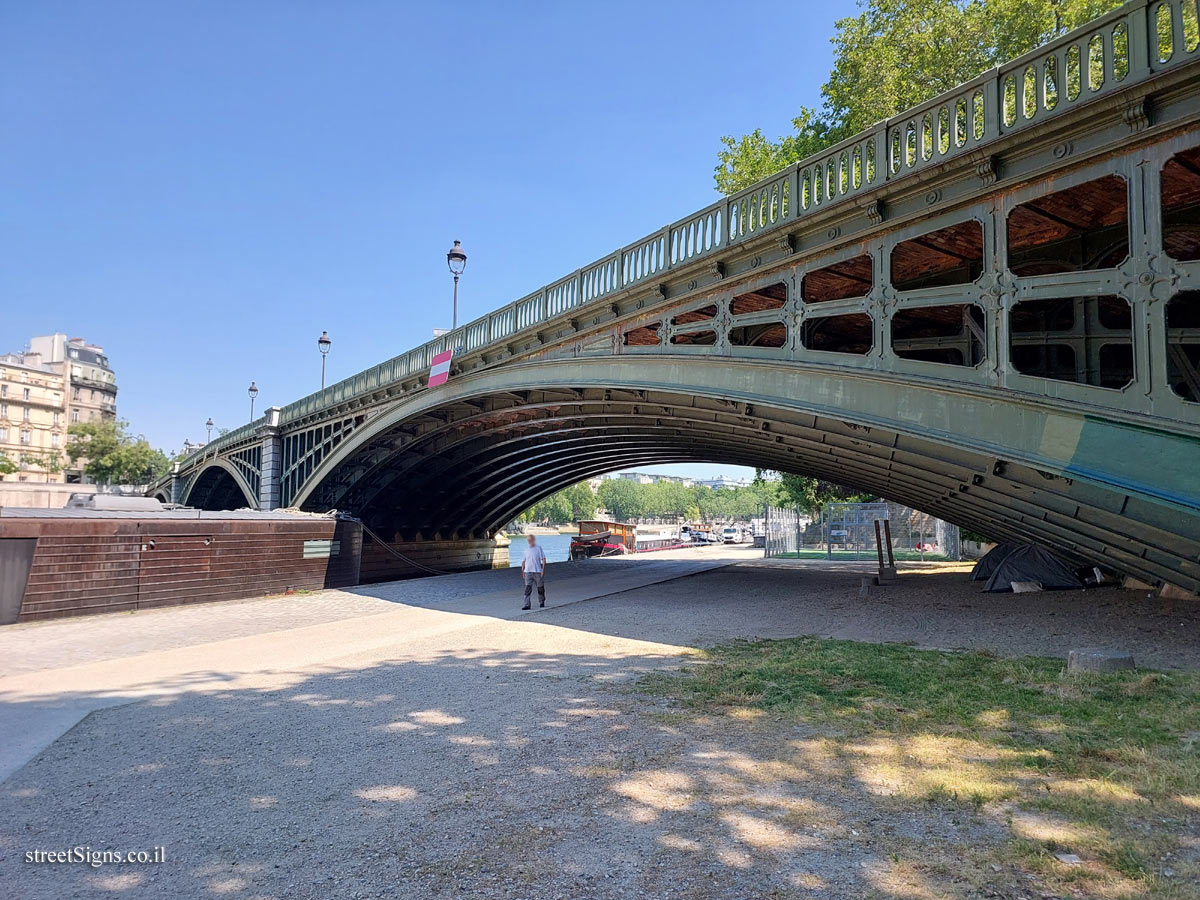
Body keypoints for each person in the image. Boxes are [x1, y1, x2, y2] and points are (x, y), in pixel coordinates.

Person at [520, 533, 547, 610]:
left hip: (537, 572)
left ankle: (541, 601)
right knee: (527, 589)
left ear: (533, 540)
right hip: (528, 572)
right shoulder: (526, 550)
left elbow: (544, 559)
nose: (530, 541)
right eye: (528, 540)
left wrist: (543, 569)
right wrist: (523, 571)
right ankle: (527, 605)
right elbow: (523, 561)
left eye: (531, 539)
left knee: (540, 588)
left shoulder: (539, 548)